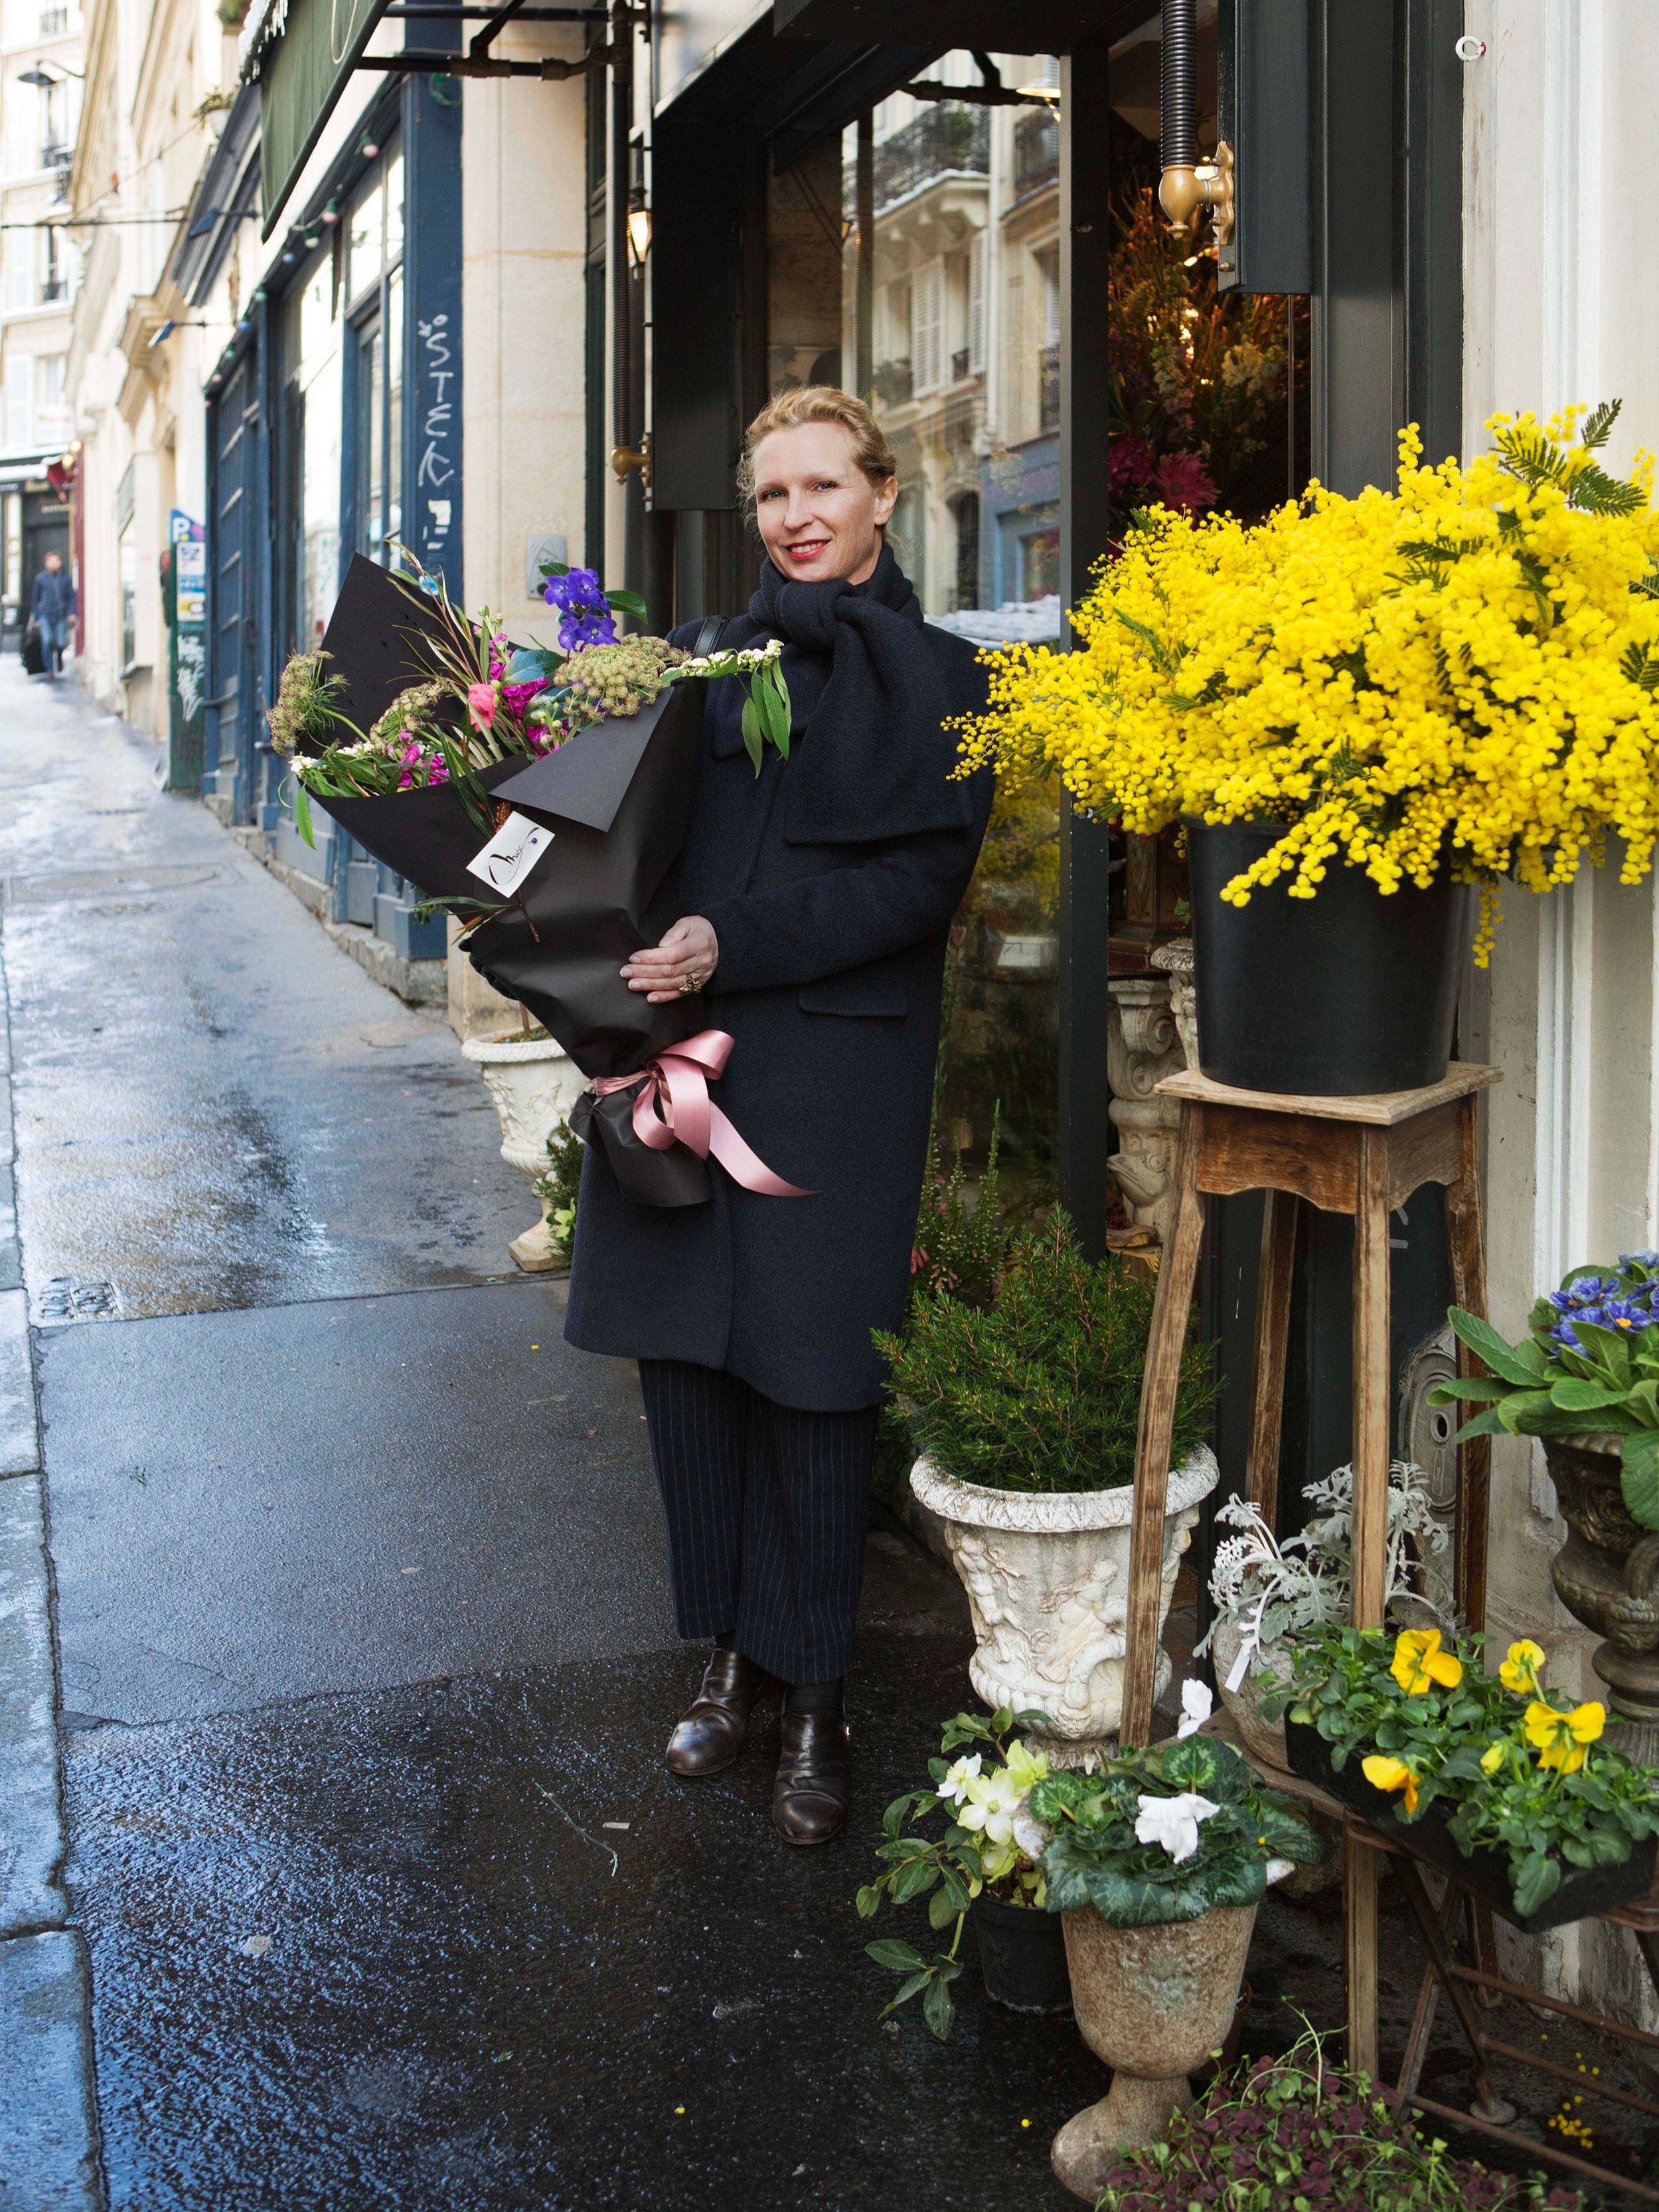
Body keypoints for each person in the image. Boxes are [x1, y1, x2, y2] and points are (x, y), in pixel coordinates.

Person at [564, 386, 994, 1846]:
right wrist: (564, 951)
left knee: (812, 1386)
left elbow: (912, 891)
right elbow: (615, 843)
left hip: (836, 1071)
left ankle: (816, 1696)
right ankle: (723, 1657)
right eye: (771, 496)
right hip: (680, 1060)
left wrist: (722, 948)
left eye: (823, 486)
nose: (796, 516)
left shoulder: (943, 675)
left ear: (884, 491)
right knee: (686, 1369)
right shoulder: (689, 664)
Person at [30, 552, 75, 678]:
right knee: (47, 641)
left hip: (60, 615)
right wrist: (36, 617)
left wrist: (72, 612)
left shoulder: (65, 579)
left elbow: (71, 596)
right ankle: (49, 670)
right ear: (46, 563)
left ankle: (59, 658)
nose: (54, 563)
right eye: (51, 561)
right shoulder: (40, 579)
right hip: (45, 615)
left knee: (61, 642)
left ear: (60, 563)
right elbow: (36, 599)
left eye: (56, 561)